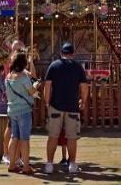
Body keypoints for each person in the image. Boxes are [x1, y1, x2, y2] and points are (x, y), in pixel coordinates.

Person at [42, 41, 88, 174]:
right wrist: (83, 102)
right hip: (72, 106)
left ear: (61, 53)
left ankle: (49, 164)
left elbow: (48, 85)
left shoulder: (54, 66)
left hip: (56, 105)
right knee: (72, 137)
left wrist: (47, 102)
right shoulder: (78, 67)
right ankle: (72, 164)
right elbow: (84, 87)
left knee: (53, 136)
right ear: (73, 54)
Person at [4, 52, 37, 174]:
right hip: (24, 111)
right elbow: (32, 92)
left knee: (14, 137)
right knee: (24, 139)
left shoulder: (8, 77)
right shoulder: (23, 77)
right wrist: (36, 85)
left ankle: (12, 164)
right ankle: (26, 167)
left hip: (12, 110)